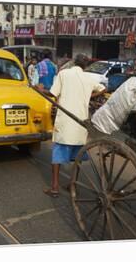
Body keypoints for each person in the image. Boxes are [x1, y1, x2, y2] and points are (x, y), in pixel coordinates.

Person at [42, 53, 106, 197]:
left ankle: (54, 187)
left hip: (65, 121)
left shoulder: (64, 74)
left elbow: (53, 93)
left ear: (73, 62)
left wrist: (40, 90)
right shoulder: (89, 78)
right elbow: (103, 89)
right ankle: (73, 185)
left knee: (57, 156)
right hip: (80, 123)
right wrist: (89, 96)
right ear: (86, 66)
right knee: (77, 157)